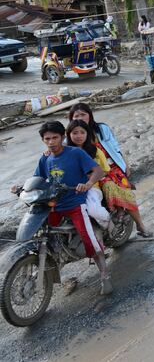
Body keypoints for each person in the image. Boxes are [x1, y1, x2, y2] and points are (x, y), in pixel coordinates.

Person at [23, 121, 112, 295]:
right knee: (42, 234)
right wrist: (22, 188)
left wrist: (87, 184)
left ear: (62, 137)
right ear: (43, 140)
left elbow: (98, 171)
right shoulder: (45, 158)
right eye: (47, 139)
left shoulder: (76, 153)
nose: (51, 142)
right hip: (54, 205)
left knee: (90, 242)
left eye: (55, 137)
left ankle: (104, 276)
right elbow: (37, 179)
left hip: (75, 204)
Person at [68, 103, 152, 238]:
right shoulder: (71, 136)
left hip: (111, 166)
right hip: (91, 172)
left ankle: (140, 224)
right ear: (71, 119)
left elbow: (115, 148)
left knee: (123, 190)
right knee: (106, 186)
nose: (81, 117)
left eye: (83, 114)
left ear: (90, 115)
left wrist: (125, 164)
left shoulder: (102, 129)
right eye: (76, 115)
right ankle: (114, 213)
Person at [65, 119, 114, 232]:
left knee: (93, 210)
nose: (79, 136)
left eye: (82, 132)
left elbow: (105, 169)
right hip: (70, 188)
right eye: (75, 133)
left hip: (91, 187)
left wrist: (89, 180)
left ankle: (109, 221)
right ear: (69, 134)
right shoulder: (64, 152)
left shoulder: (95, 151)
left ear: (87, 134)